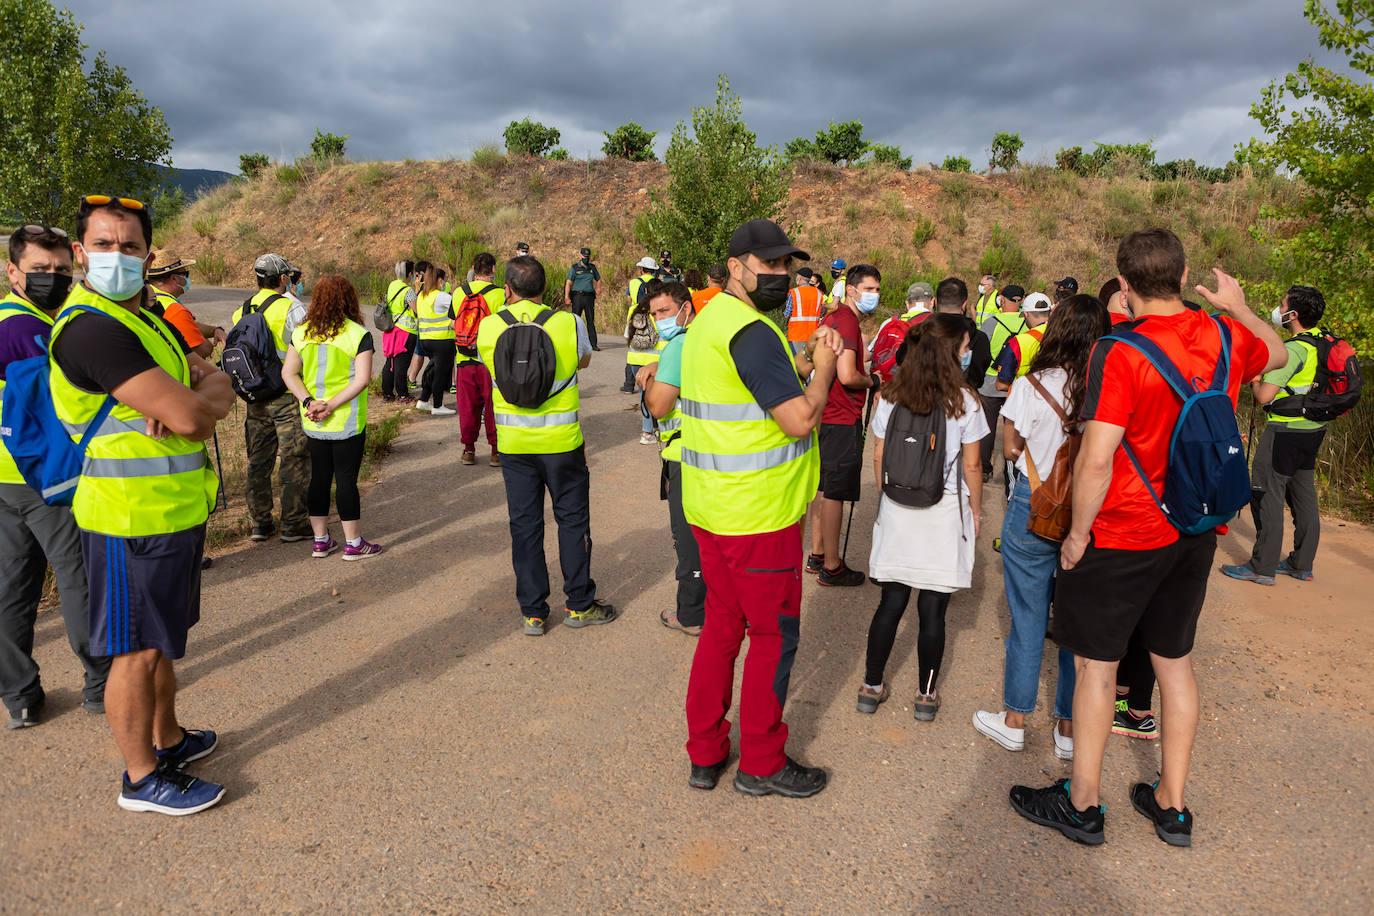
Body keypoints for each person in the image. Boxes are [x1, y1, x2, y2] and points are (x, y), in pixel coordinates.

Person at [1009, 229, 1284, 848]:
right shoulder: (1223, 336)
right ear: (1184, 277)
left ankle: (1082, 804)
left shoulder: (1120, 351)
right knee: (1175, 665)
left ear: (1124, 285)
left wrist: (1078, 534)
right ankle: (1172, 804)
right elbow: (1282, 355)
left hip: (1127, 529)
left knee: (1097, 665)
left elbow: (1098, 457)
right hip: (1194, 528)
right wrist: (1237, 305)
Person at [50, 194, 235, 814]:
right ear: (81, 254)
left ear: (146, 254)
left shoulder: (146, 319)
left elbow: (215, 389)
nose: (118, 257)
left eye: (130, 247)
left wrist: (193, 401)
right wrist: (190, 402)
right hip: (127, 519)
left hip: (171, 513)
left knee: (160, 641)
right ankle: (140, 779)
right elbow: (194, 408)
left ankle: (170, 740)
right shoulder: (92, 329)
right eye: (103, 246)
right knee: (134, 650)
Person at [681, 218, 842, 799]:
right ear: (736, 267)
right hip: (760, 519)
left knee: (721, 630)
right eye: (769, 265)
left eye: (786, 267)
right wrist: (822, 372)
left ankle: (706, 753)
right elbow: (799, 418)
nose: (780, 276)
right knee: (773, 636)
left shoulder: (707, 325)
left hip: (710, 510)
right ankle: (764, 763)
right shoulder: (751, 332)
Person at [973, 294, 1110, 758]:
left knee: (1028, 616)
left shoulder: (1032, 384)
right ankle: (1069, 729)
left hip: (1035, 504)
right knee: (1075, 621)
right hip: (1089, 514)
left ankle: (1015, 719)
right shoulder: (1107, 388)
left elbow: (1010, 446)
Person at [0, 225, 111, 729]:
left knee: (13, 588)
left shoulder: (14, 319)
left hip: (8, 480)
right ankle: (100, 682)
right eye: (39, 271)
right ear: (12, 271)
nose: (52, 279)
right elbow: (60, 408)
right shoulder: (26, 329)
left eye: (62, 271)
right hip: (44, 477)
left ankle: (21, 696)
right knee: (78, 579)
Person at [476, 255, 614, 636]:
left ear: (507, 289)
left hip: (514, 444)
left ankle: (533, 612)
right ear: (545, 289)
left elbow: (493, 368)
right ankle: (579, 605)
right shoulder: (567, 322)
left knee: (525, 525)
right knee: (571, 520)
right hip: (562, 442)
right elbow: (582, 362)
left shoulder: (489, 327)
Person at [858, 314, 987, 721]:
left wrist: (888, 499)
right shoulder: (966, 402)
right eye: (965, 348)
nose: (968, 354)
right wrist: (976, 511)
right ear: (951, 353)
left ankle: (871, 686)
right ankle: (925, 696)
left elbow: (879, 455)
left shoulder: (892, 394)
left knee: (890, 602)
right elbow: (973, 468)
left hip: (898, 509)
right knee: (933, 611)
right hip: (943, 512)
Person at [1223, 285, 1333, 586]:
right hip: (1312, 431)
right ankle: (1301, 564)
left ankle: (1262, 567)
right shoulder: (1321, 342)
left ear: (1293, 314)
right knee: (1303, 494)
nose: (1278, 308)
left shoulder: (1294, 349)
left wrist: (1256, 378)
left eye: (1281, 304)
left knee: (1266, 494)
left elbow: (1264, 396)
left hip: (1284, 431)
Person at [281, 275, 382, 560]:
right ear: (349, 299)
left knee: (320, 479)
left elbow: (288, 373)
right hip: (346, 421)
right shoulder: (357, 334)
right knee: (346, 480)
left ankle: (321, 540)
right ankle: (353, 543)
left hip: (313, 420)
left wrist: (310, 402)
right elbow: (362, 380)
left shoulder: (301, 333)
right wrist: (332, 405)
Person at [634, 280, 705, 636]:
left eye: (665, 311)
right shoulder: (701, 338)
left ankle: (691, 614)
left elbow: (660, 406)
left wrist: (649, 381)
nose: (660, 318)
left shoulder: (678, 344)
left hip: (682, 454)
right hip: (707, 451)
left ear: (686, 308)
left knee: (687, 537)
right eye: (654, 313)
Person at [806, 264, 881, 586]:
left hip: (825, 413)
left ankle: (818, 552)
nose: (874, 295)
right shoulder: (848, 322)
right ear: (851, 289)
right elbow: (849, 376)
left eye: (877, 290)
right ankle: (833, 565)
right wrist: (873, 380)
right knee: (835, 492)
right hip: (842, 415)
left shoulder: (832, 316)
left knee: (821, 488)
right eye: (869, 289)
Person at [231, 253, 310, 543]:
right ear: (282, 278)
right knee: (294, 458)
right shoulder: (291, 308)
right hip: (286, 395)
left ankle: (260, 523)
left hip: (255, 395)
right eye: (288, 275)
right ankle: (293, 522)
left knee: (258, 461)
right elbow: (306, 346)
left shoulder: (241, 310)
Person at [455, 253, 506, 467]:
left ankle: (468, 450)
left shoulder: (459, 292)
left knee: (467, 407)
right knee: (492, 406)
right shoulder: (500, 294)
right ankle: (495, 451)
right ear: (493, 269)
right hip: (489, 361)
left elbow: (453, 322)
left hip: (463, 359)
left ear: (473, 268)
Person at [976, 285, 1026, 482]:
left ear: (1002, 301)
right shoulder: (1028, 323)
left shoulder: (991, 323)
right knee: (1013, 428)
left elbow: (982, 352)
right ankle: (1012, 470)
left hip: (990, 383)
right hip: (1017, 384)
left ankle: (983, 469)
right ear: (1021, 301)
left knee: (986, 428)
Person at [147, 249, 223, 359]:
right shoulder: (174, 309)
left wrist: (214, 330)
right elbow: (202, 349)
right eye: (185, 274)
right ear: (174, 278)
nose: (187, 278)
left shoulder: (147, 298)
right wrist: (207, 342)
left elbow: (187, 325)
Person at [413, 261, 457, 416]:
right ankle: (438, 406)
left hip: (426, 340)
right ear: (439, 280)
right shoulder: (441, 296)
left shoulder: (422, 296)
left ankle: (423, 400)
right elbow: (458, 306)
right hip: (441, 341)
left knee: (432, 370)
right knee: (440, 374)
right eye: (443, 280)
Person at [994, 293, 1054, 391]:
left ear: (1026, 314)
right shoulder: (1064, 335)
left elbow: (1001, 385)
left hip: (1026, 401)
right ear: (1050, 312)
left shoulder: (1017, 342)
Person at [380, 260, 418, 402]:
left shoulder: (392, 286)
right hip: (406, 332)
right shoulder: (408, 291)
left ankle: (388, 393)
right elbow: (417, 310)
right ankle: (403, 394)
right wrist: (417, 290)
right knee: (402, 364)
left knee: (390, 363)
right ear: (409, 274)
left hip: (391, 330)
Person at [624, 301, 661, 434]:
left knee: (643, 396)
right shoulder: (660, 310)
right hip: (654, 362)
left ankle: (647, 431)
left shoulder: (633, 310)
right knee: (657, 397)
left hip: (635, 360)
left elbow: (626, 336)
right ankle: (652, 431)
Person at [564, 247, 602, 351]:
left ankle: (593, 344)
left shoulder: (592, 268)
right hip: (578, 297)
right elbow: (568, 283)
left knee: (590, 321)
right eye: (584, 256)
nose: (586, 258)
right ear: (580, 256)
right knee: (576, 320)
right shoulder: (574, 268)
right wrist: (566, 296)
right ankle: (573, 343)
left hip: (589, 297)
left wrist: (598, 288)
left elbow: (598, 279)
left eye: (588, 257)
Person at [785, 267, 825, 353]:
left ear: (799, 278)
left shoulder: (794, 292)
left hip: (796, 334)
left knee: (796, 362)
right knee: (809, 363)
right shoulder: (819, 293)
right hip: (813, 335)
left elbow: (787, 314)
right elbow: (821, 314)